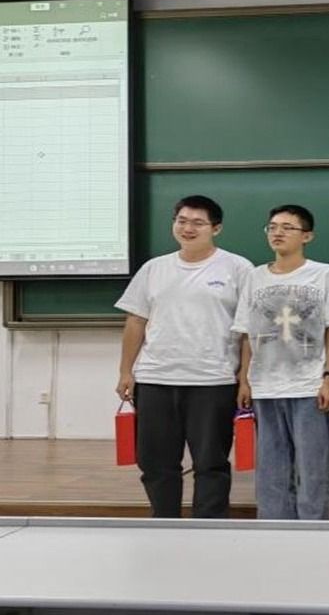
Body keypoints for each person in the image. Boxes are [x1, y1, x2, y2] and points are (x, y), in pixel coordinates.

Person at [115, 195, 253, 518]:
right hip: (155, 379)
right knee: (155, 462)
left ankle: (209, 526)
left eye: (198, 223)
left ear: (216, 228)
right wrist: (125, 371)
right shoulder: (154, 268)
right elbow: (136, 321)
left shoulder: (238, 268)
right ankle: (164, 522)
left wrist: (244, 377)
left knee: (211, 463)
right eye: (182, 221)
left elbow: (248, 329)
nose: (188, 228)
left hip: (213, 381)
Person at [232, 204, 329, 520]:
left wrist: (328, 376)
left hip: (309, 385)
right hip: (265, 386)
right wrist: (244, 379)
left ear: (307, 236)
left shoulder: (325, 274)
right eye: (272, 227)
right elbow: (246, 333)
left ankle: (314, 530)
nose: (277, 233)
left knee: (312, 468)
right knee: (270, 469)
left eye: (287, 227)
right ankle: (273, 528)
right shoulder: (254, 277)